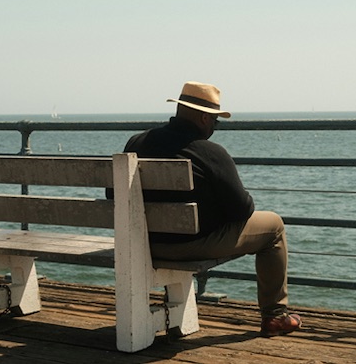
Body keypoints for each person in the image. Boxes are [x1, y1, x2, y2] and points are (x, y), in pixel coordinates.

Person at [113, 81, 301, 337]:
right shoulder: (209, 152)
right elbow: (241, 210)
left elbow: (113, 196)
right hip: (191, 245)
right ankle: (275, 316)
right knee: (274, 227)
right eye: (215, 121)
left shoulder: (137, 142)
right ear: (204, 118)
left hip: (143, 244)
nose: (215, 126)